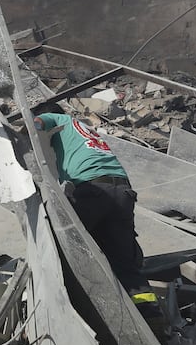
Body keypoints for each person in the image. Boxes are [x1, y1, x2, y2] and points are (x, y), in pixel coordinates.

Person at [33, 112, 143, 281]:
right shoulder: (86, 133)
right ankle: (146, 306)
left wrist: (22, 131)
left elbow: (38, 122)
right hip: (122, 190)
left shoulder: (62, 119)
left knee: (67, 245)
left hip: (92, 187)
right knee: (125, 262)